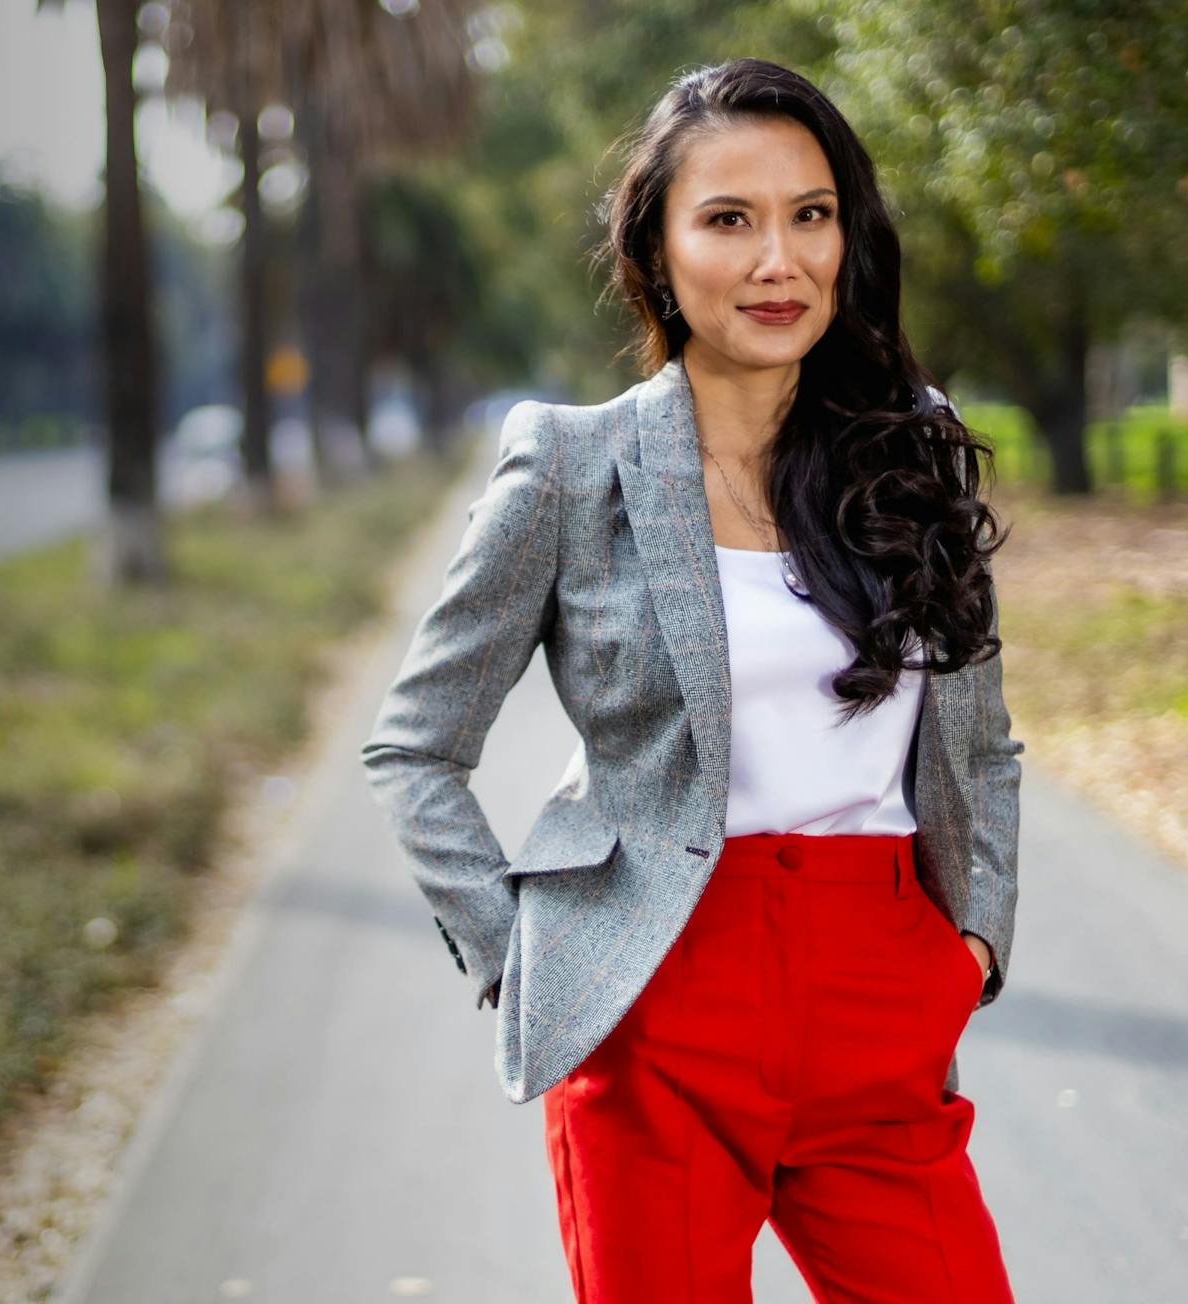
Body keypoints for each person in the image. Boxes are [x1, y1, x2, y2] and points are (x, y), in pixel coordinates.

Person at [358, 57, 1025, 1302]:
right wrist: (527, 960)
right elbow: (416, 745)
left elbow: (981, 744)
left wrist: (970, 941)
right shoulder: (569, 465)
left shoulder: (911, 453)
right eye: (729, 219)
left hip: (881, 998)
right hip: (650, 1009)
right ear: (656, 252)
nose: (779, 259)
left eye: (809, 214)